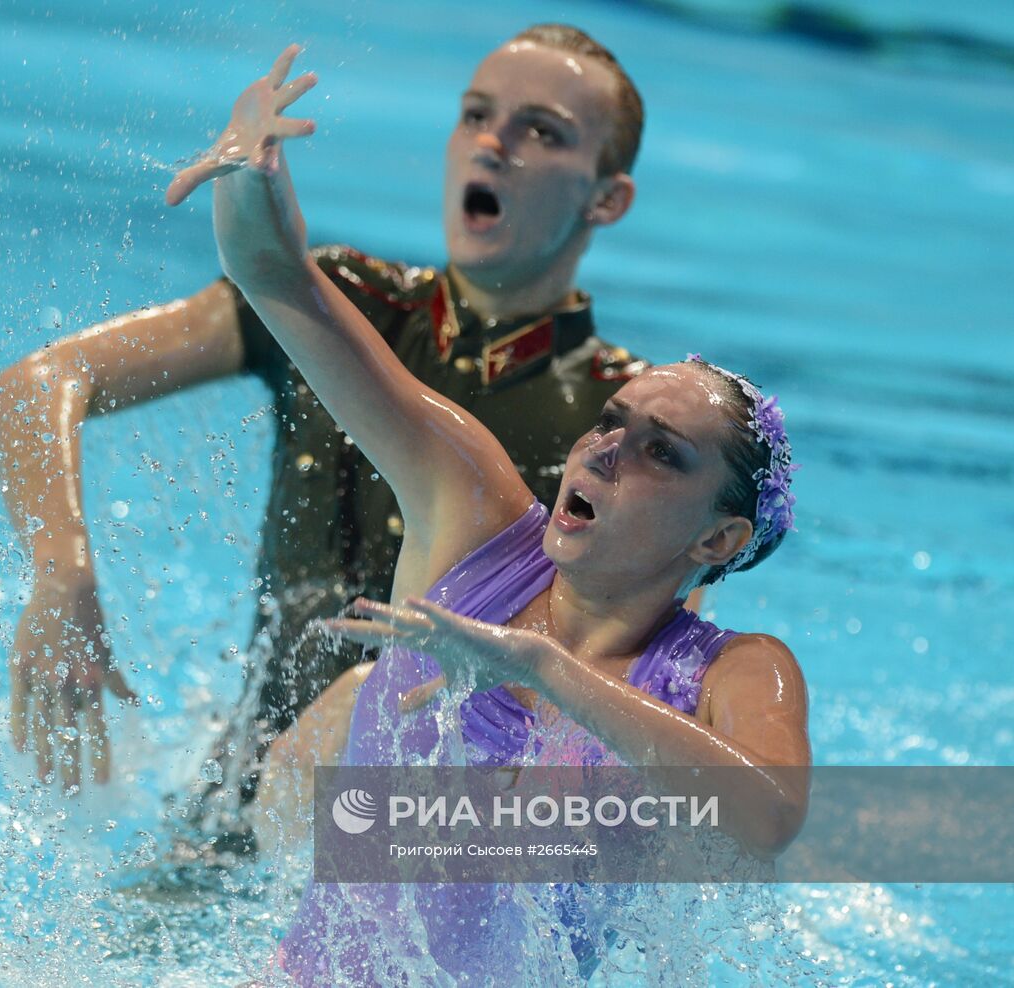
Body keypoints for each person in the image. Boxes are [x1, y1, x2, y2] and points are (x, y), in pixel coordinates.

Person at [165, 45, 811, 983]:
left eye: (660, 453)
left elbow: (766, 820)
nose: (604, 451)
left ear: (718, 540)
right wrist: (247, 177)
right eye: (611, 423)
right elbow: (279, 282)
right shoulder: (471, 518)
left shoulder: (735, 672)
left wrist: (548, 672)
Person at [0, 24, 650, 816]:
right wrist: (63, 577)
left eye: (540, 131)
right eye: (475, 115)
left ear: (605, 196)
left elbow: (643, 695)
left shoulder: (627, 426)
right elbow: (41, 382)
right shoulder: (346, 308)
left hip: (439, 845)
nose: (492, 145)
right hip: (242, 807)